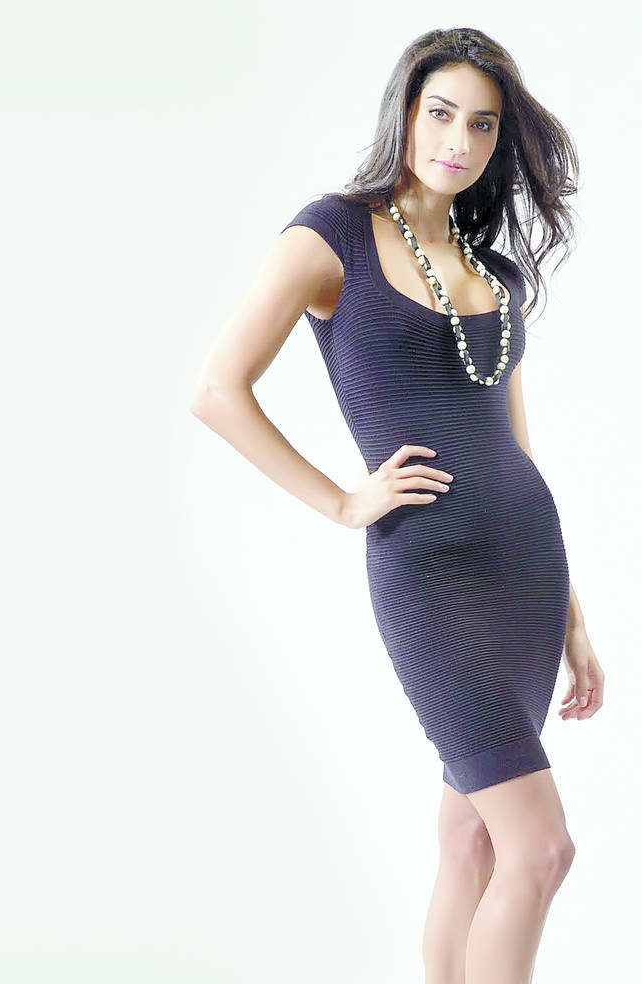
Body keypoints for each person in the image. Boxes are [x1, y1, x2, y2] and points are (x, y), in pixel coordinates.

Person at [189, 27, 605, 984]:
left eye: (482, 125)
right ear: (407, 114)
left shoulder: (493, 274)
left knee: (475, 841)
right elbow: (216, 390)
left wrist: (575, 618)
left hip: (527, 573)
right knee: (542, 849)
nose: (458, 140)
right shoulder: (330, 234)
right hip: (432, 573)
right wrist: (345, 502)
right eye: (441, 114)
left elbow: (517, 447)